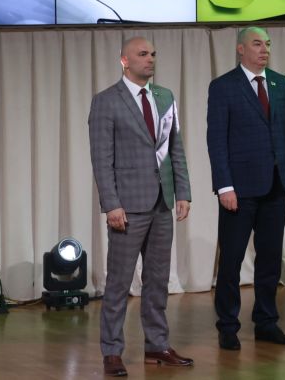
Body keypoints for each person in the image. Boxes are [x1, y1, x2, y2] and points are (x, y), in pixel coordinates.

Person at [88, 37, 194, 377]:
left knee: (158, 279)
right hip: (128, 206)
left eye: (153, 54)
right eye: (142, 54)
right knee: (119, 283)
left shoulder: (165, 97)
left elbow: (175, 147)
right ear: (124, 60)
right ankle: (112, 351)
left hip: (162, 201)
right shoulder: (106, 101)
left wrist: (183, 192)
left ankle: (157, 345)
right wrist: (111, 204)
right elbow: (102, 159)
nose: (150, 59)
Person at [207, 26, 285, 351]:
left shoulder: (279, 83)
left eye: (268, 44)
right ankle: (227, 326)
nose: (264, 49)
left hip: (276, 185)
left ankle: (266, 322)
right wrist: (224, 186)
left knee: (270, 259)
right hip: (239, 190)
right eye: (257, 44)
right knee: (232, 260)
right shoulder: (223, 86)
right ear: (241, 49)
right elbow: (216, 141)